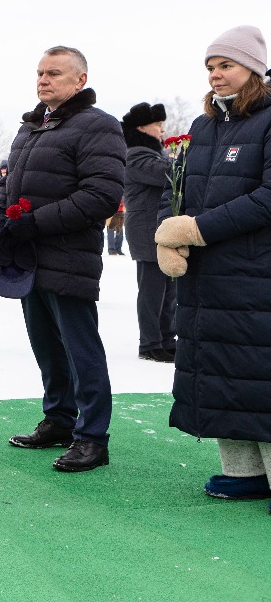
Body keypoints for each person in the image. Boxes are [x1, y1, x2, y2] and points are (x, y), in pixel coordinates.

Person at [0, 46, 125, 472]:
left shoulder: (99, 126)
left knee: (81, 349)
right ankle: (60, 419)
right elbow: (5, 183)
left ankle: (92, 437)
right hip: (28, 258)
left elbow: (100, 195)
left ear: (80, 80)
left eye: (54, 73)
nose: (43, 80)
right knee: (46, 345)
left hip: (68, 257)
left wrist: (35, 222)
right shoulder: (30, 128)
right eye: (40, 73)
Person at [155, 26, 271, 503]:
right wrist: (167, 231)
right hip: (209, 275)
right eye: (210, 66)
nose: (216, 75)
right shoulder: (204, 127)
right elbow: (176, 188)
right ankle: (243, 473)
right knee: (222, 369)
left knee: (260, 371)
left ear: (254, 70)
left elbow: (268, 199)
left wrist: (197, 230)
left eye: (226, 65)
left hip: (256, 271)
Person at [120, 102, 176, 362]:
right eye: (158, 125)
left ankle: (166, 338)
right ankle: (150, 343)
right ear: (141, 128)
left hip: (161, 229)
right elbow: (167, 175)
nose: (162, 130)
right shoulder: (136, 155)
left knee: (169, 289)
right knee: (153, 289)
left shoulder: (154, 154)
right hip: (146, 230)